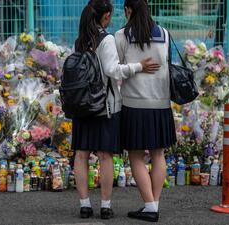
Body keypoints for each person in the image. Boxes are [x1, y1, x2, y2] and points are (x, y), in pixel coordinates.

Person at [72, 0, 160, 220]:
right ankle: (105, 205)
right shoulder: (106, 39)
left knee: (81, 154)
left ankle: (84, 205)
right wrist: (139, 66)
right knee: (104, 155)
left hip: (82, 105)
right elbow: (113, 70)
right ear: (106, 16)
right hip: (105, 105)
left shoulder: (81, 40)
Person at [115, 0, 177, 222]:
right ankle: (153, 204)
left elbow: (117, 70)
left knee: (136, 155)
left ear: (128, 10)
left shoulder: (121, 35)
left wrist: (137, 66)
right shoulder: (164, 33)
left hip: (134, 103)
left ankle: (150, 206)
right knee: (158, 154)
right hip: (161, 103)